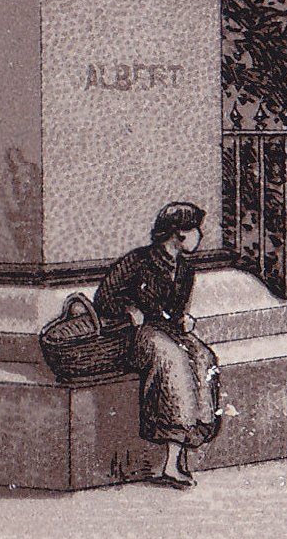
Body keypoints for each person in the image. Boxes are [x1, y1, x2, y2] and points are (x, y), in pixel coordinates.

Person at [94, 202, 223, 488]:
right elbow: (104, 298)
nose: (199, 236)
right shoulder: (138, 261)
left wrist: (183, 320)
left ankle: (184, 450)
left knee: (202, 357)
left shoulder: (186, 270)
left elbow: (173, 311)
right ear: (177, 233)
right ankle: (170, 463)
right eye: (194, 230)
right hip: (136, 337)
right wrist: (128, 310)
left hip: (167, 331)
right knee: (172, 360)